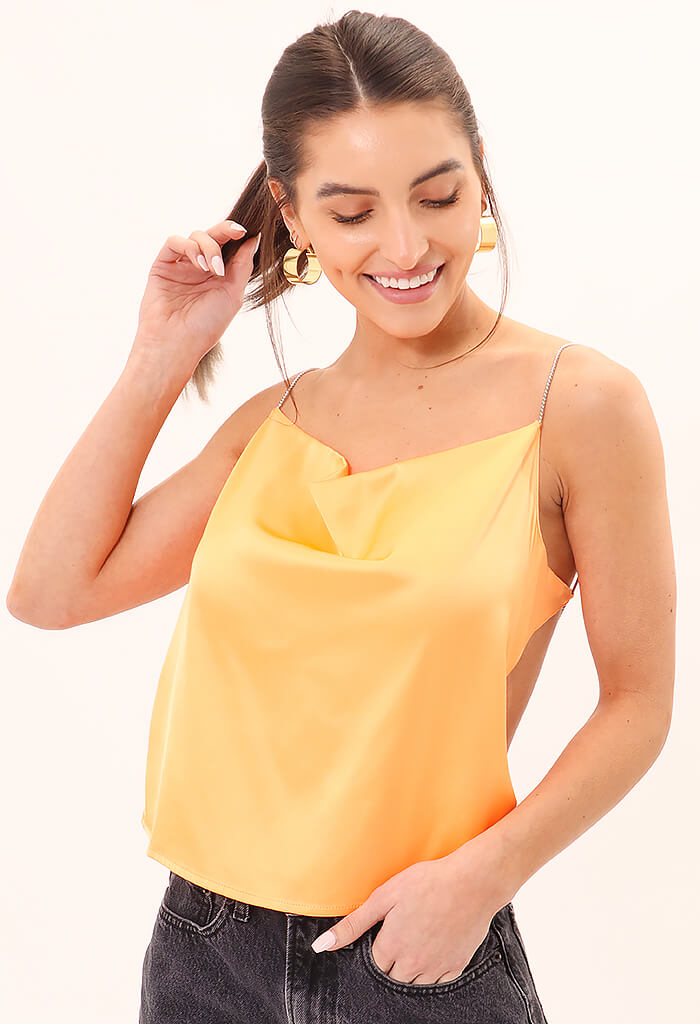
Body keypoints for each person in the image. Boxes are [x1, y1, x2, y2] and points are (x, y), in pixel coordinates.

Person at [6, 11, 676, 1024]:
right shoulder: (274, 423)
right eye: (352, 212)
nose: (405, 246)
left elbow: (638, 702)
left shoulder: (579, 405)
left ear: (482, 178)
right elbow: (51, 593)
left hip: (420, 946)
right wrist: (162, 354)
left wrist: (483, 876)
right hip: (204, 948)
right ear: (293, 214)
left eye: (437, 195)